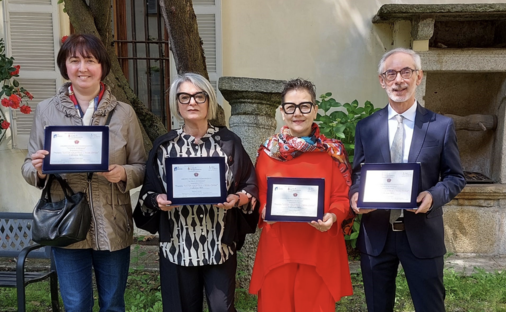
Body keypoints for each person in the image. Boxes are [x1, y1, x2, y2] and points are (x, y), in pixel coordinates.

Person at [21, 34, 146, 312]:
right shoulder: (45, 111)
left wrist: (123, 173)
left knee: (113, 304)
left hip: (112, 220)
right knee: (76, 305)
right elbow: (29, 166)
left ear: (102, 66)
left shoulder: (123, 113)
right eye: (74, 60)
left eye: (90, 60)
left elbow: (142, 166)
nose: (82, 68)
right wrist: (39, 169)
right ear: (65, 66)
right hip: (64, 222)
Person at [349, 48, 466, 312]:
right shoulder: (366, 127)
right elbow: (358, 174)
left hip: (422, 233)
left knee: (430, 307)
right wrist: (356, 196)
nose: (398, 80)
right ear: (382, 80)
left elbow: (455, 177)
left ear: (419, 77)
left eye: (406, 72)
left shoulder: (440, 126)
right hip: (377, 235)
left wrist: (434, 195)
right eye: (391, 73)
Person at [134, 72, 259, 312]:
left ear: (209, 101)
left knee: (222, 309)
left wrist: (237, 199)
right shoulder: (164, 147)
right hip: (177, 244)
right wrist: (158, 199)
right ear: (176, 104)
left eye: (199, 96)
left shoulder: (229, 143)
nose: (192, 102)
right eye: (184, 97)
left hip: (219, 244)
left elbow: (250, 186)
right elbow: (148, 193)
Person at [249, 78, 353, 311]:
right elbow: (260, 195)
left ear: (315, 110)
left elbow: (341, 197)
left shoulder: (332, 152)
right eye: (291, 107)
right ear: (282, 112)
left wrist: (334, 216)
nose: (298, 113)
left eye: (305, 106)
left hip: (319, 245)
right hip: (279, 247)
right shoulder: (268, 152)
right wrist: (265, 210)